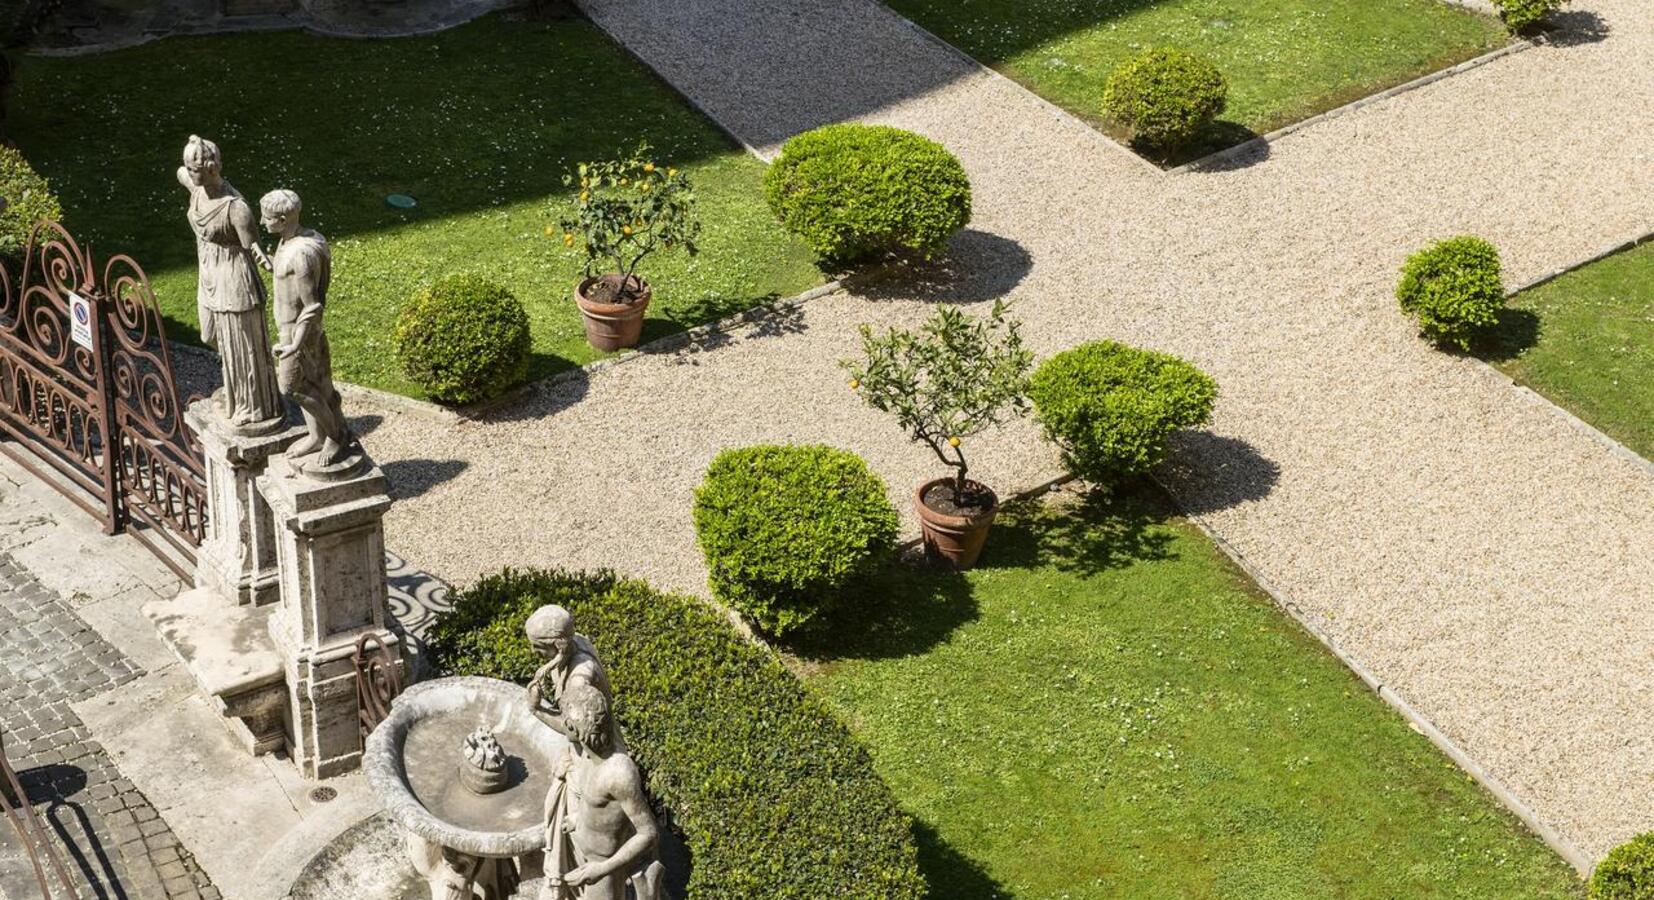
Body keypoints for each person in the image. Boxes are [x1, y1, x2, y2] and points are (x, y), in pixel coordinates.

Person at [176, 135, 282, 431]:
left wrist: (277, 267)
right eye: (187, 165)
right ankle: (237, 388)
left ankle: (253, 405)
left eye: (193, 167)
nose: (188, 171)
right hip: (209, 272)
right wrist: (187, 163)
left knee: (242, 345)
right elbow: (181, 174)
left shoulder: (236, 208)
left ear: (211, 168)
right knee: (209, 334)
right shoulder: (196, 188)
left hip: (234, 279)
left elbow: (255, 250)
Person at [259, 189, 357, 474]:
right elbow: (285, 279)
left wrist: (294, 345)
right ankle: (319, 436)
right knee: (321, 385)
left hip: (297, 334)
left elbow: (312, 306)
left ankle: (335, 437)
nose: (263, 223)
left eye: (267, 219)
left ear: (282, 218)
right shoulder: (295, 240)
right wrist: (269, 263)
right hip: (295, 331)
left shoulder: (300, 256)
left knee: (292, 387)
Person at [542, 683, 663, 900]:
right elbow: (605, 808)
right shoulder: (590, 755)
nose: (563, 724)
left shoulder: (618, 773)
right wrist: (580, 818)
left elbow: (648, 834)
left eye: (565, 721)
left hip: (603, 874)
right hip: (590, 862)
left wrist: (602, 868)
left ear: (574, 729)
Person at [524, 605, 614, 743]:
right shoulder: (574, 640)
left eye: (537, 646)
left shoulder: (578, 680)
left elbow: (577, 733)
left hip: (593, 749)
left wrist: (536, 709)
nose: (532, 651)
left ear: (558, 646)